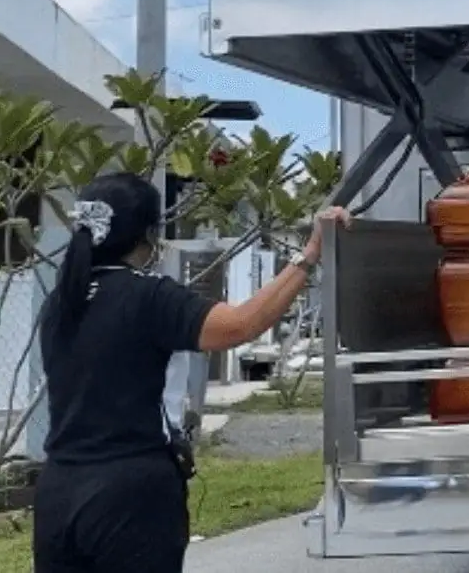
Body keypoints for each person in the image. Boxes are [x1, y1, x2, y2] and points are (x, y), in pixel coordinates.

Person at [32, 172, 349, 572]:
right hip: (129, 494)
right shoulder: (147, 295)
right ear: (148, 234)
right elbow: (238, 326)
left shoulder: (60, 303)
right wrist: (310, 254)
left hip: (58, 492)